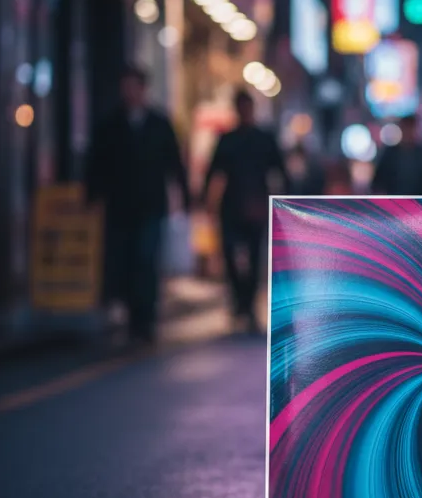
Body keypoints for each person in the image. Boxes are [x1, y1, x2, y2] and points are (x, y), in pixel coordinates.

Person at [86, 64, 190, 345]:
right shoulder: (110, 124)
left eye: (134, 86)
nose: (129, 92)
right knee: (123, 261)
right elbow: (96, 163)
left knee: (146, 261)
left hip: (150, 206)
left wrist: (184, 198)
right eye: (125, 86)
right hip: (119, 206)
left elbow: (175, 165)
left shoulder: (159, 123)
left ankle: (145, 320)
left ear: (143, 89)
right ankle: (132, 317)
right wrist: (92, 197)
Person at [204, 89, 286, 332]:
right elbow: (214, 170)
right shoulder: (228, 139)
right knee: (230, 255)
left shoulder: (264, 139)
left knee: (253, 257)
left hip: (256, 206)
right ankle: (239, 301)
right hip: (231, 206)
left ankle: (247, 304)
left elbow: (280, 171)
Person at [372, 115, 422, 196]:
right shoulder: (390, 153)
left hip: (420, 201)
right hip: (395, 200)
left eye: (410, 128)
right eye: (406, 128)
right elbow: (378, 181)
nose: (408, 132)